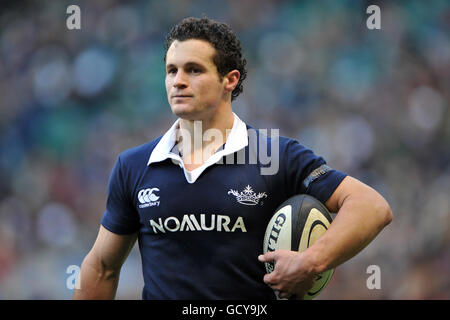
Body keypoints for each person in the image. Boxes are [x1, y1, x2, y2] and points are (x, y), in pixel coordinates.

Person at [73, 17, 393, 300]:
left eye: (194, 70)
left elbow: (371, 206)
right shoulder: (134, 166)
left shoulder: (275, 155)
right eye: (172, 70)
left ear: (230, 79)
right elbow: (102, 267)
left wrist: (312, 261)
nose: (178, 81)